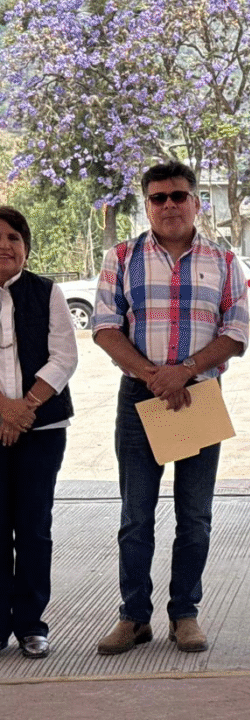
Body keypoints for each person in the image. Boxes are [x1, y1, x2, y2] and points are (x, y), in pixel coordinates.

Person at [93, 161, 249, 655]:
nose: (169, 205)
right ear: (147, 206)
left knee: (195, 516)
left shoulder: (224, 260)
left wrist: (184, 371)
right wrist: (154, 376)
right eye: (158, 198)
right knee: (136, 516)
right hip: (141, 399)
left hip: (198, 395)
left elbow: (236, 332)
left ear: (196, 202)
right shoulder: (122, 257)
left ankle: (185, 614)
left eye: (178, 195)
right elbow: (104, 328)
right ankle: (133, 617)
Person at [0, 207, 77, 659]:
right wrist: (4, 411)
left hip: (42, 429)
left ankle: (31, 625)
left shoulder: (47, 292)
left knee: (33, 528)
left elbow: (64, 357)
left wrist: (23, 409)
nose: (5, 246)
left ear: (26, 246)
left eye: (14, 237)